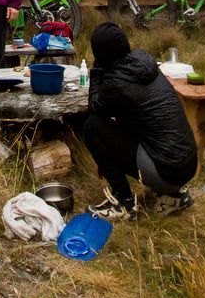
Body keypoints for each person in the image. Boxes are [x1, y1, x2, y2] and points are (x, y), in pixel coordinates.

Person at [82, 21, 197, 219]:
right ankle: (175, 196)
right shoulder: (142, 62)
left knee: (92, 126)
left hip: (165, 171)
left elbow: (95, 107)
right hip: (186, 164)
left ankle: (123, 202)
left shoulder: (117, 83)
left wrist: (97, 69)